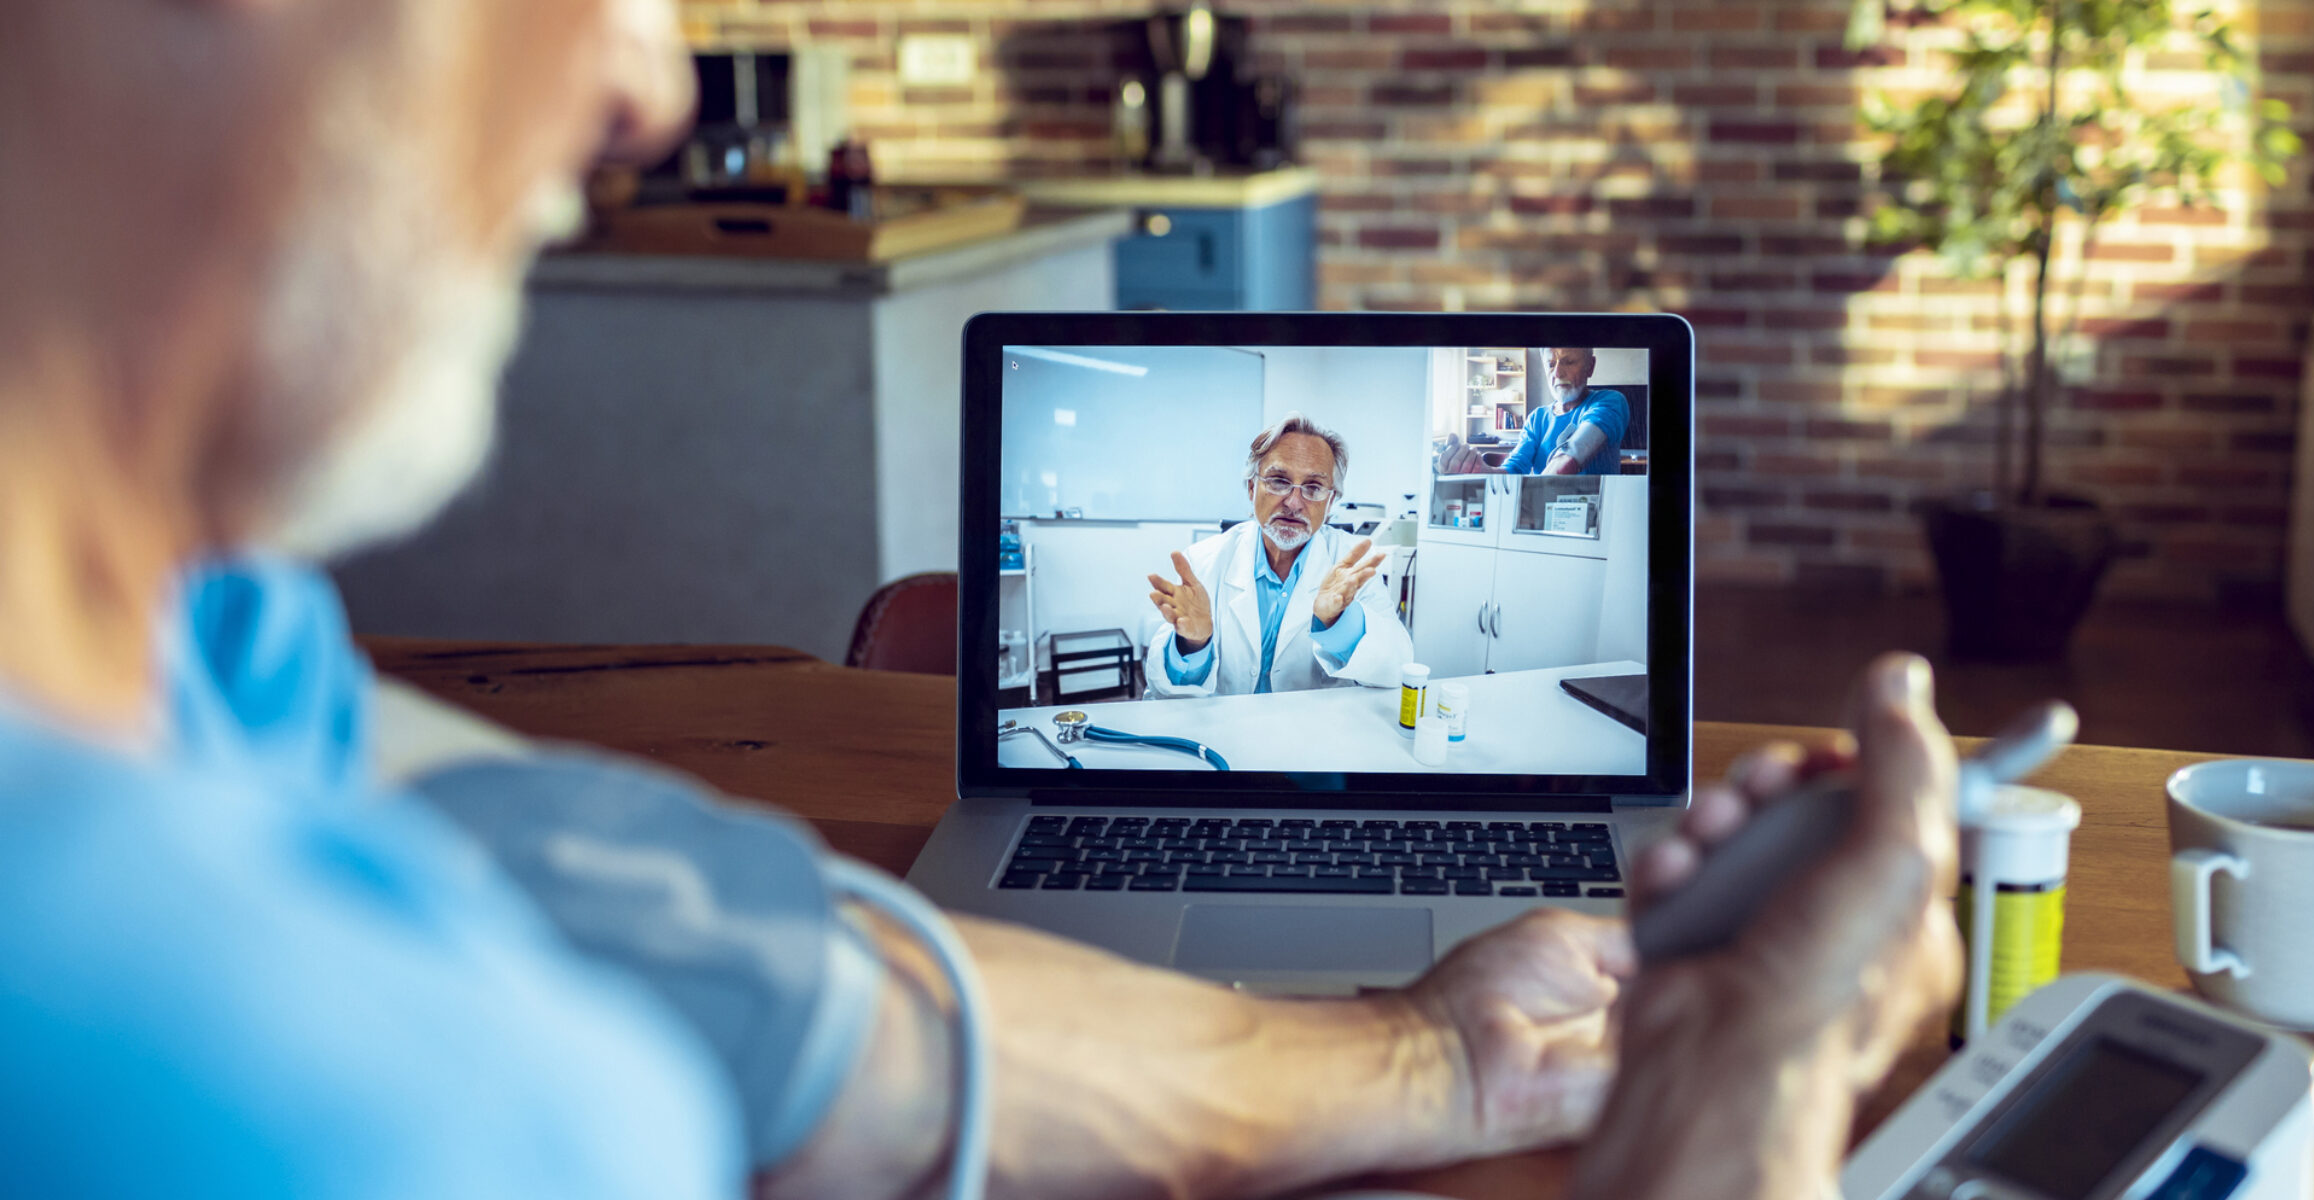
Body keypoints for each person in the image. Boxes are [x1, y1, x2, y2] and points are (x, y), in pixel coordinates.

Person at [0, 1, 1961, 1196]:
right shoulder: (336, 1105)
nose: (648, 83)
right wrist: (1733, 1105)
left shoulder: (201, 656)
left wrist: (1435, 1060)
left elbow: (738, 968)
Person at [1142, 413, 1415, 698]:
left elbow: (1398, 666)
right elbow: (1163, 694)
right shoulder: (1202, 562)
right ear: (1251, 488)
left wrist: (1339, 623)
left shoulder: (1354, 566)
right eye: (1278, 481)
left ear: (1331, 500)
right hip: (1225, 731)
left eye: (1313, 488)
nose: (1294, 502)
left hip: (1315, 734)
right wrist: (1193, 645)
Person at [1437, 347, 1631, 476]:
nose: (1557, 373)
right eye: (1550, 364)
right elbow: (1513, 469)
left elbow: (1571, 455)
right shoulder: (1537, 418)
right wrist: (1479, 471)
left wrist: (1532, 496)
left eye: (1569, 362)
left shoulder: (1610, 401)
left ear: (1591, 366)